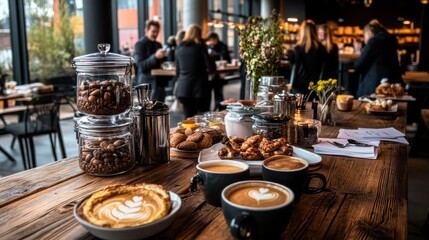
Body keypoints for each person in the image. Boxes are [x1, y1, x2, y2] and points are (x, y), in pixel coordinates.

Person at [175, 24, 216, 118]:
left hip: (184, 89)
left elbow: (177, 72)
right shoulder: (200, 48)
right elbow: (211, 67)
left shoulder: (179, 48)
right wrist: (211, 56)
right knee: (203, 118)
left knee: (188, 118)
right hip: (199, 89)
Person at [354, 19, 403, 97]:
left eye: (364, 35)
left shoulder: (373, 41)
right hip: (392, 84)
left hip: (375, 87)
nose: (364, 40)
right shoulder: (391, 39)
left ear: (369, 32)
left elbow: (359, 65)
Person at [287, 19, 327, 95]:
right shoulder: (322, 49)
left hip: (299, 87)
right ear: (314, 32)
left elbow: (295, 69)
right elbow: (323, 69)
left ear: (302, 32)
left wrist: (291, 84)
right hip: (315, 87)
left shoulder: (297, 49)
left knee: (299, 107)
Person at [133, 19, 168, 102]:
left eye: (157, 32)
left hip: (159, 84)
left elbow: (160, 64)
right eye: (153, 31)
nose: (155, 34)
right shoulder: (140, 44)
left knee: (160, 111)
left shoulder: (158, 44)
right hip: (146, 85)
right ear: (146, 31)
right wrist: (155, 56)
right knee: (148, 112)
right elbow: (141, 66)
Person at [206, 32, 231, 111]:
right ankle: (214, 107)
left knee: (218, 90)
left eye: (212, 40)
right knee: (210, 91)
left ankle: (219, 107)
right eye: (210, 41)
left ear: (216, 39)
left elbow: (225, 57)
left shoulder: (223, 46)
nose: (211, 42)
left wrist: (214, 54)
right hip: (212, 72)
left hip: (220, 73)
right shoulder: (208, 47)